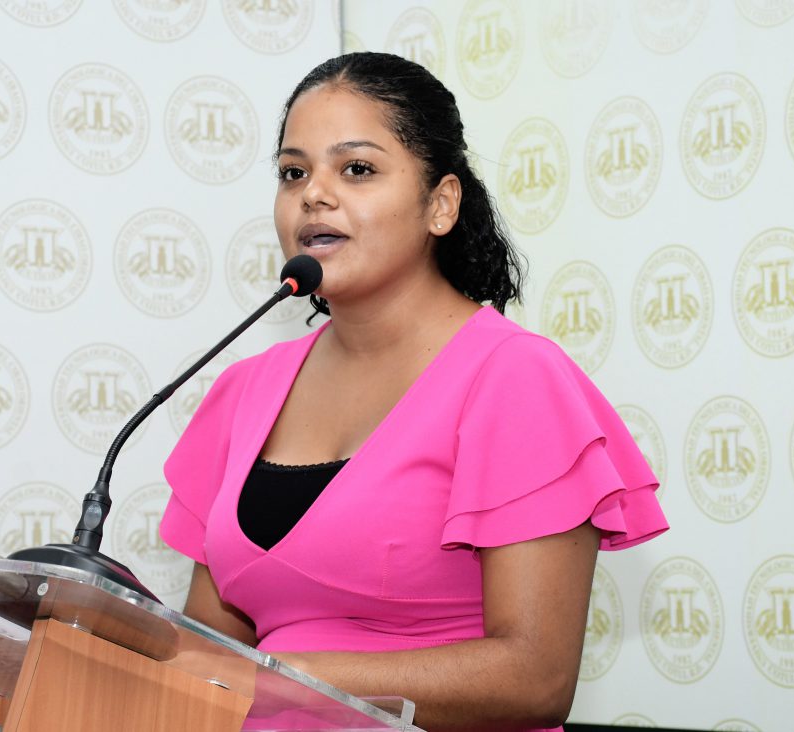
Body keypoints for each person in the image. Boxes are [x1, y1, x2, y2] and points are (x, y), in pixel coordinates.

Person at [160, 52, 668, 732]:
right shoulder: (244, 389)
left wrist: (286, 677)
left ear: (440, 204)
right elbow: (209, 659)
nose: (314, 195)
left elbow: (536, 678)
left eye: (356, 169)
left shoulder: (512, 378)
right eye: (293, 173)